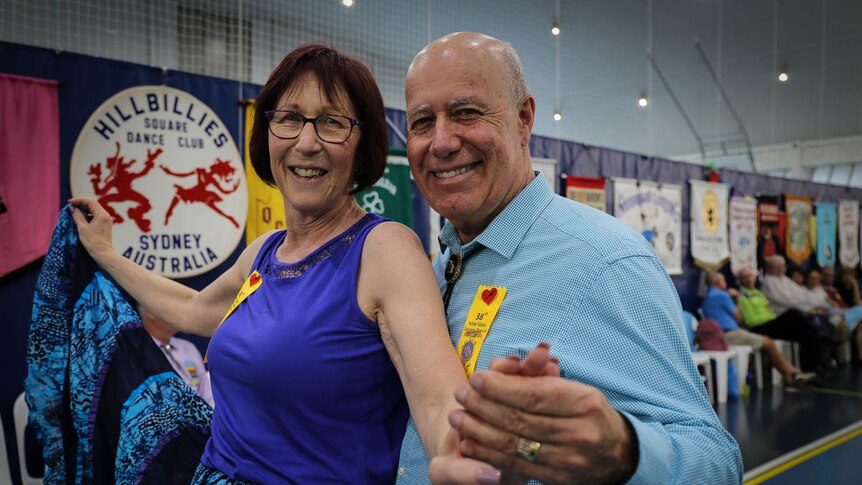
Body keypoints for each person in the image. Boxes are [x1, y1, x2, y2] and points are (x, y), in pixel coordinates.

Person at [70, 44, 473, 483]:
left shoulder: (385, 250)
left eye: (332, 123)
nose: (306, 142)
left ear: (364, 145)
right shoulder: (265, 251)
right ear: (267, 133)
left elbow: (438, 402)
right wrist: (106, 254)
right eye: (289, 118)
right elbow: (191, 310)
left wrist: (464, 454)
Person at [397, 32, 742, 484]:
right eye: (423, 121)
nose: (441, 142)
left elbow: (717, 462)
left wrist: (623, 451)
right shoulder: (439, 270)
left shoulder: (608, 260)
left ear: (524, 119)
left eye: (466, 113)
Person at [702, 272, 815, 384]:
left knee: (769, 339)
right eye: (723, 280)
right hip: (729, 333)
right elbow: (738, 317)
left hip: (721, 334)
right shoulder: (722, 295)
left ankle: (792, 372)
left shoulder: (708, 296)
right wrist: (736, 299)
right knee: (769, 343)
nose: (725, 283)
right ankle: (791, 374)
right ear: (718, 282)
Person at [736, 266, 828, 372]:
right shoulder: (741, 296)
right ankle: (822, 332)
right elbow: (750, 320)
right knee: (794, 313)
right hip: (758, 327)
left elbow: (768, 310)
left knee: (809, 335)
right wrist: (774, 320)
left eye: (750, 276)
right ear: (740, 281)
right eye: (744, 277)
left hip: (771, 323)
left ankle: (810, 371)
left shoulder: (759, 293)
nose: (748, 279)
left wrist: (775, 319)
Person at [139, 304, 214, 406]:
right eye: (172, 308)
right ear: (151, 313)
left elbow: (206, 392)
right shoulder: (139, 351)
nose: (178, 314)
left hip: (201, 415)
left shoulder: (187, 347)